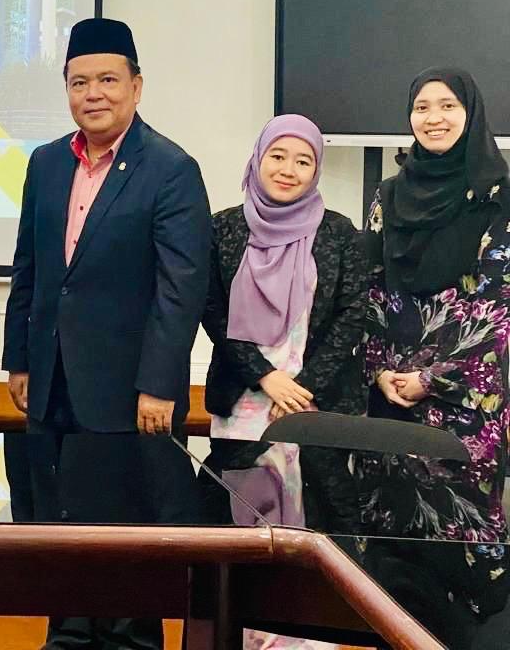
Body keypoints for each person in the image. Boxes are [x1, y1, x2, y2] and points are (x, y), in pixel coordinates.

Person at [1, 18, 210, 650]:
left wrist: (159, 385)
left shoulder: (171, 168)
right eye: (79, 82)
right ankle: (65, 637)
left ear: (136, 87)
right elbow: (30, 268)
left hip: (130, 396)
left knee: (126, 551)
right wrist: (19, 359)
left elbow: (181, 289)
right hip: (52, 384)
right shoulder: (44, 163)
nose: (93, 94)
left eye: (108, 80)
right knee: (60, 534)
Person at [200, 115, 367, 650]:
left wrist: (302, 388)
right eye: (278, 156)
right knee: (246, 535)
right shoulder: (224, 228)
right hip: (244, 405)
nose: (288, 169)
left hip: (314, 406)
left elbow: (353, 313)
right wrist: (266, 377)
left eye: (303, 160)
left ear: (316, 170)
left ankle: (308, 640)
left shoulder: (339, 232)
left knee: (315, 535)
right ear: (258, 159)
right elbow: (212, 310)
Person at [358, 68, 510, 547]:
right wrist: (379, 371)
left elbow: (497, 309)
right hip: (391, 397)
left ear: (471, 113)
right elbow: (370, 289)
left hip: (463, 399)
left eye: (448, 106)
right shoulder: (388, 195)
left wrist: (431, 379)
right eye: (421, 107)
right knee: (386, 538)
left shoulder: (499, 196)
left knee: (461, 536)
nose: (433, 118)